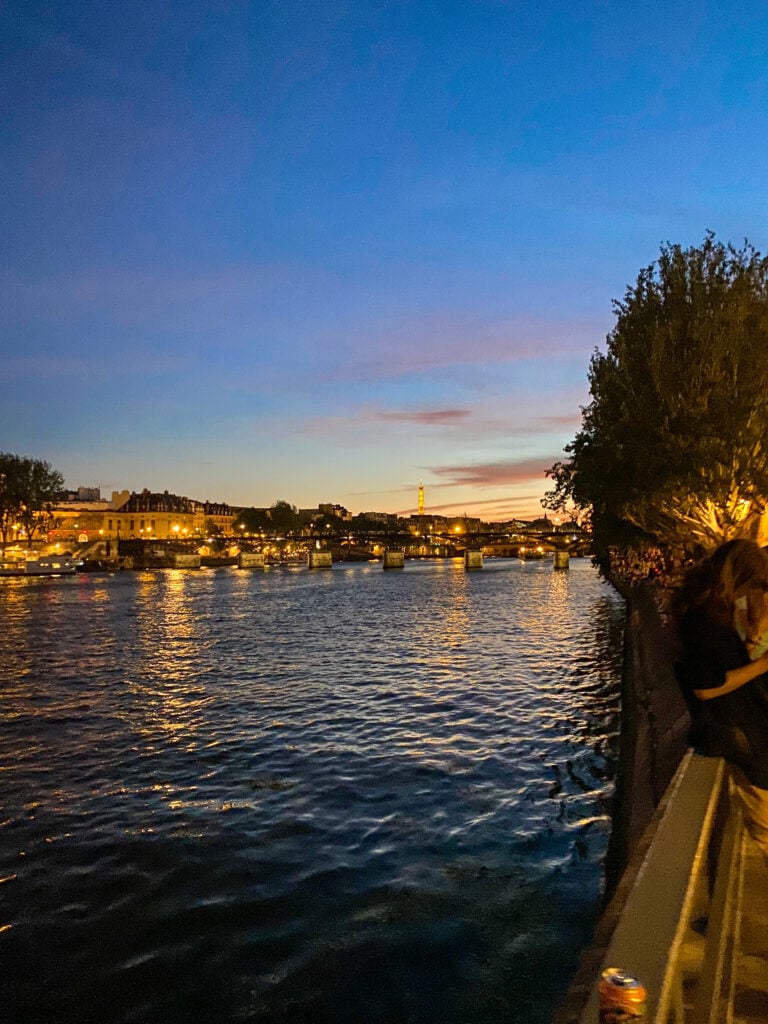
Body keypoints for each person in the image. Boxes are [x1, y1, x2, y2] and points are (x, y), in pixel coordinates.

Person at [676, 539, 768, 855]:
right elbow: (705, 687)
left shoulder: (709, 608)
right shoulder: (705, 620)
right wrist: (762, 665)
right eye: (753, 583)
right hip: (732, 727)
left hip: (739, 722)